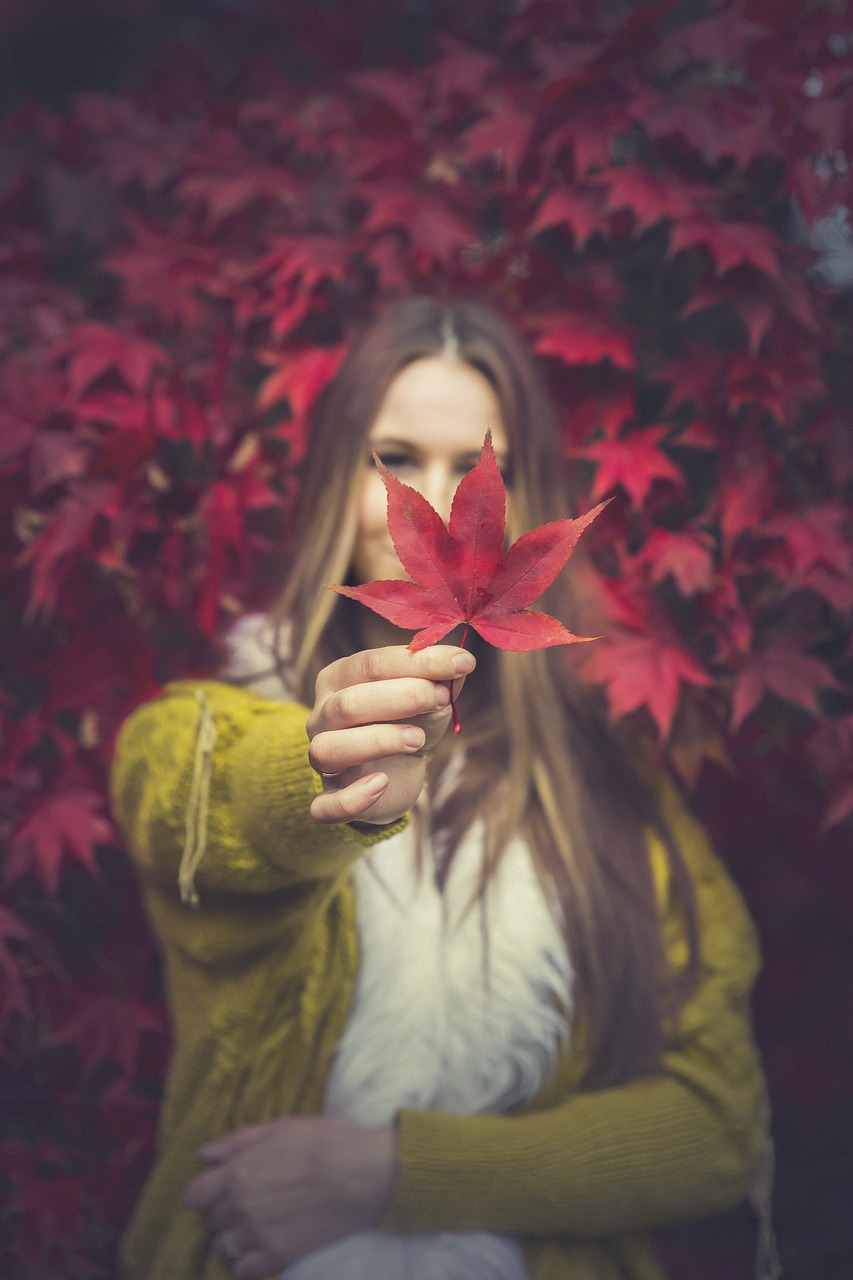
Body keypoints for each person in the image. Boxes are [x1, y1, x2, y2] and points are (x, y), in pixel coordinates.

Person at [110, 298, 770, 1280]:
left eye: (472, 465)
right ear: (334, 476)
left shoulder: (613, 789)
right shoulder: (209, 722)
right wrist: (328, 768)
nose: (433, 503)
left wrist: (394, 1169)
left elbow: (718, 1124)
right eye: (394, 456)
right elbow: (212, 799)